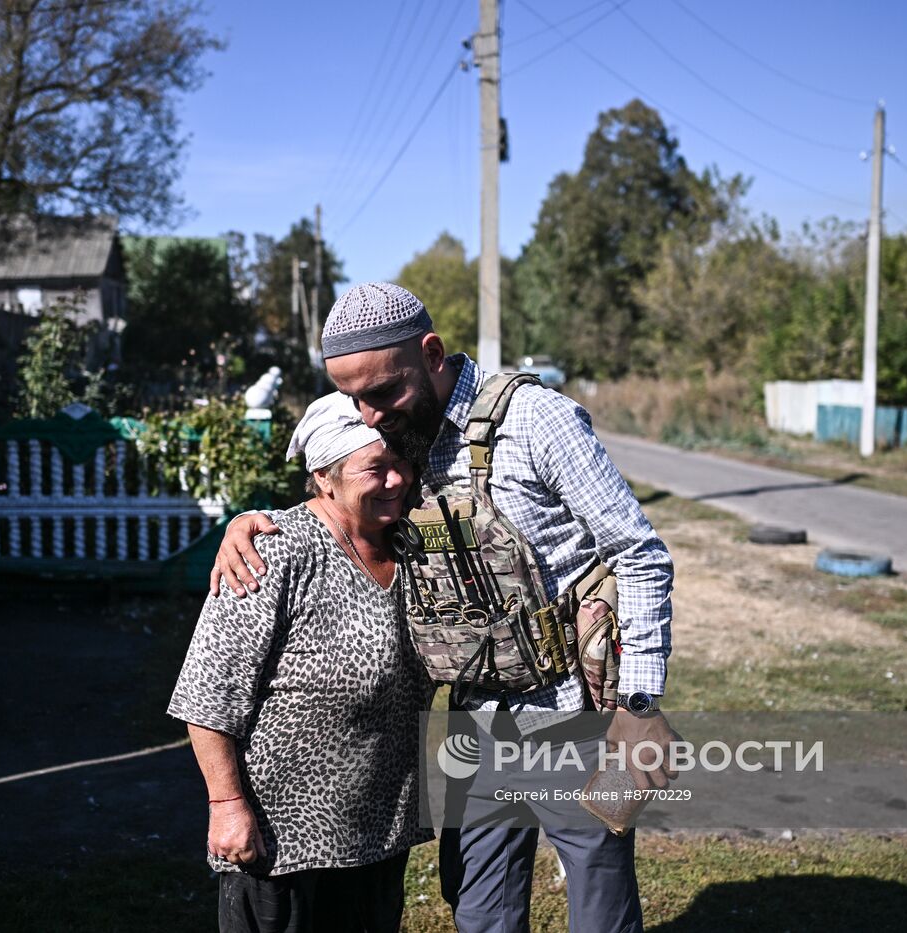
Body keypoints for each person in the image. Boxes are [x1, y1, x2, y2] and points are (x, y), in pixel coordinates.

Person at [212, 282, 678, 931]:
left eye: (380, 393)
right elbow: (337, 486)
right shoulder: (397, 427)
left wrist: (640, 704)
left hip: (576, 714)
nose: (368, 415)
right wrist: (253, 523)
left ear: (431, 354)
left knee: (600, 903)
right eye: (353, 398)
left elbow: (640, 554)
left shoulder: (538, 419)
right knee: (479, 907)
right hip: (476, 718)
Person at [168, 392, 433, 933]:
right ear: (324, 477)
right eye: (375, 468)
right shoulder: (272, 551)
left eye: (402, 463)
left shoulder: (412, 545)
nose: (396, 480)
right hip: (283, 841)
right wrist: (226, 804)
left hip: (382, 828)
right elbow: (207, 692)